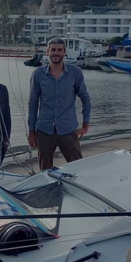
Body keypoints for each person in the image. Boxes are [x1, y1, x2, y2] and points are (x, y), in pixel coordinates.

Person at [28, 37, 91, 168]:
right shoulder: (38, 74)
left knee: (78, 168)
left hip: (68, 130)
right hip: (44, 130)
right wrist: (31, 131)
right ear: (47, 52)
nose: (56, 53)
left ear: (64, 52)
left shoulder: (75, 73)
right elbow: (33, 103)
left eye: (59, 50)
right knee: (45, 171)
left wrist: (85, 125)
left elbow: (85, 98)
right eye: (53, 50)